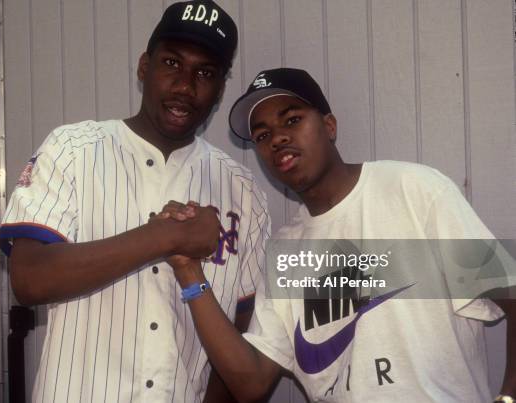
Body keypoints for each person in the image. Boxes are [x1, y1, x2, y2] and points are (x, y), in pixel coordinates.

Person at [158, 67, 516, 402]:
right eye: (263, 135)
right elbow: (251, 383)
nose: (278, 138)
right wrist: (189, 271)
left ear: (329, 125)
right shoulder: (284, 252)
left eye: (293, 120)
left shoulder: (415, 189)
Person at [0, 2, 270, 402]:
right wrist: (163, 237)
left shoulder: (242, 191)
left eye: (205, 73)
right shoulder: (73, 150)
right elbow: (29, 279)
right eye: (172, 63)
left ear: (221, 87)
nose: (185, 86)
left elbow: (242, 331)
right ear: (145, 66)